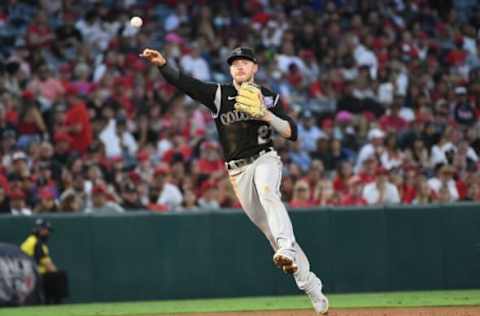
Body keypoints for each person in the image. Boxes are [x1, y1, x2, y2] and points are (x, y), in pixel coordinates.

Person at [141, 47, 328, 314]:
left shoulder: (269, 97)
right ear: (230, 70)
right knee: (270, 232)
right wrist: (163, 65)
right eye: (235, 64)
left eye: (245, 62)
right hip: (237, 171)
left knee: (268, 194)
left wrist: (265, 113)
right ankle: (310, 285)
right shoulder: (219, 94)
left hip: (265, 159)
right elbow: (186, 84)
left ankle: (287, 248)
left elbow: (291, 132)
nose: (239, 66)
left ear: (255, 68)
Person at [20, 219, 68, 304]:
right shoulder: (36, 243)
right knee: (60, 276)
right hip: (33, 276)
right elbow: (49, 266)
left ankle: (48, 301)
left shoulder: (30, 240)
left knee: (56, 275)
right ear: (39, 229)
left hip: (26, 275)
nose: (48, 233)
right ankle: (57, 304)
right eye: (46, 230)